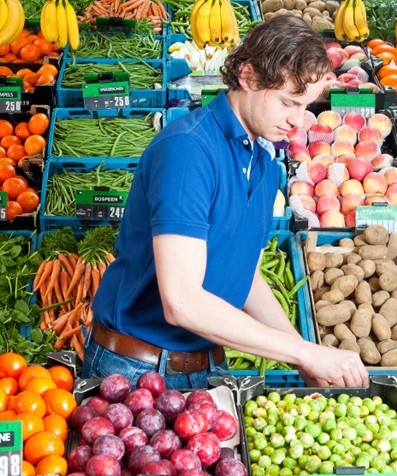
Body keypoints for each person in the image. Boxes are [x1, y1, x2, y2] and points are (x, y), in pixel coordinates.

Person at [83, 16, 370, 389]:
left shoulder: (264, 158)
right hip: (138, 370)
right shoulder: (189, 151)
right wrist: (303, 353)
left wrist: (303, 353)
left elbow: (242, 275)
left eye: (306, 107)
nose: (297, 122)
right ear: (248, 77)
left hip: (205, 367)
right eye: (288, 103)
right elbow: (181, 302)